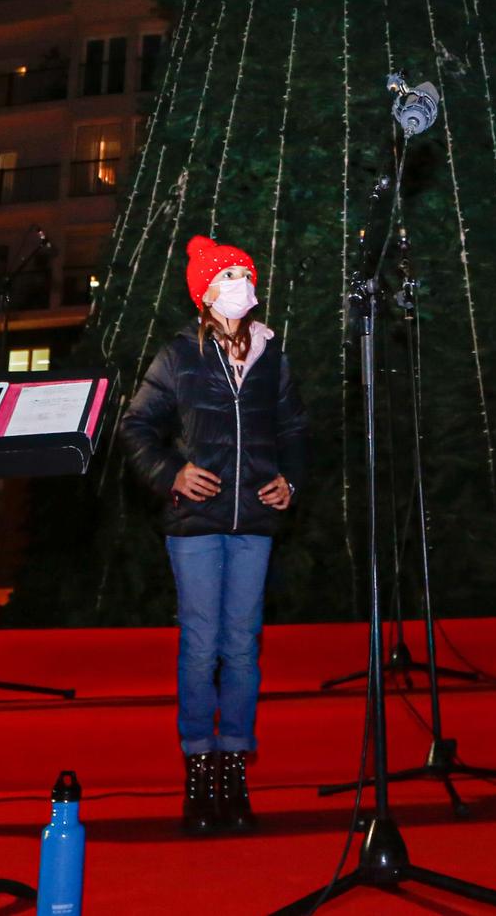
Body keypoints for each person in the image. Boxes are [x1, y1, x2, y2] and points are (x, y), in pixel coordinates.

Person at [119, 235, 307, 836]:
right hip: (195, 524)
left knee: (244, 644)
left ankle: (234, 766)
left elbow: (295, 428)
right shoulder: (178, 355)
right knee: (202, 645)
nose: (238, 283)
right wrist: (172, 472)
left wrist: (290, 481)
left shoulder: (271, 355)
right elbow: (136, 427)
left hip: (253, 518)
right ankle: (199, 769)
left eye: (245, 274)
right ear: (204, 292)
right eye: (226, 276)